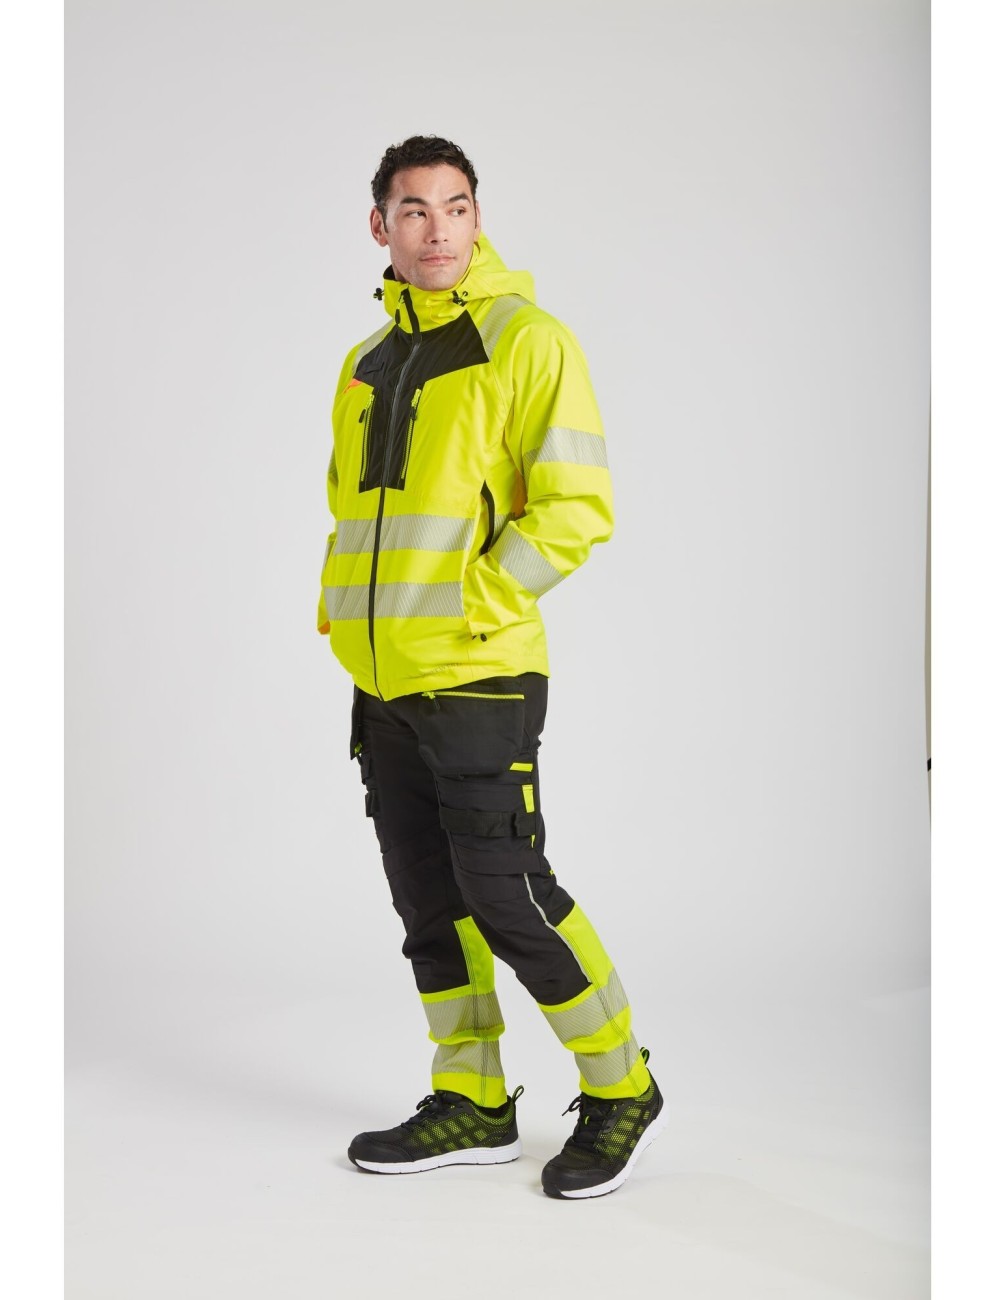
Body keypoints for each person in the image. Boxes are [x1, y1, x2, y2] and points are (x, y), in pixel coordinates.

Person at [317, 135, 666, 1199]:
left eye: (456, 206)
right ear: (380, 225)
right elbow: (351, 512)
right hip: (383, 680)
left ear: (478, 216)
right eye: (414, 210)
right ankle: (471, 1095)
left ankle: (620, 1085)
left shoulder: (526, 340)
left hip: (478, 673)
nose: (438, 230)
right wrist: (345, 618)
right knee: (429, 902)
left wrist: (475, 604)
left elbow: (575, 508)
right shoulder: (368, 362)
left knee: (509, 893)